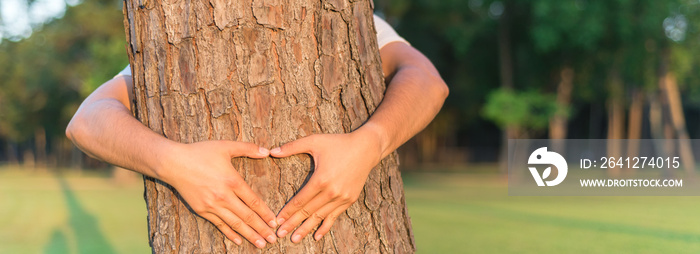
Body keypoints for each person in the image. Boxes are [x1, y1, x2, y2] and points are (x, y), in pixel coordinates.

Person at [66, 15, 448, 249]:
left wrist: (371, 142)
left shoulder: (344, 17)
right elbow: (87, 121)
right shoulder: (181, 30)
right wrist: (171, 162)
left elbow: (427, 80)